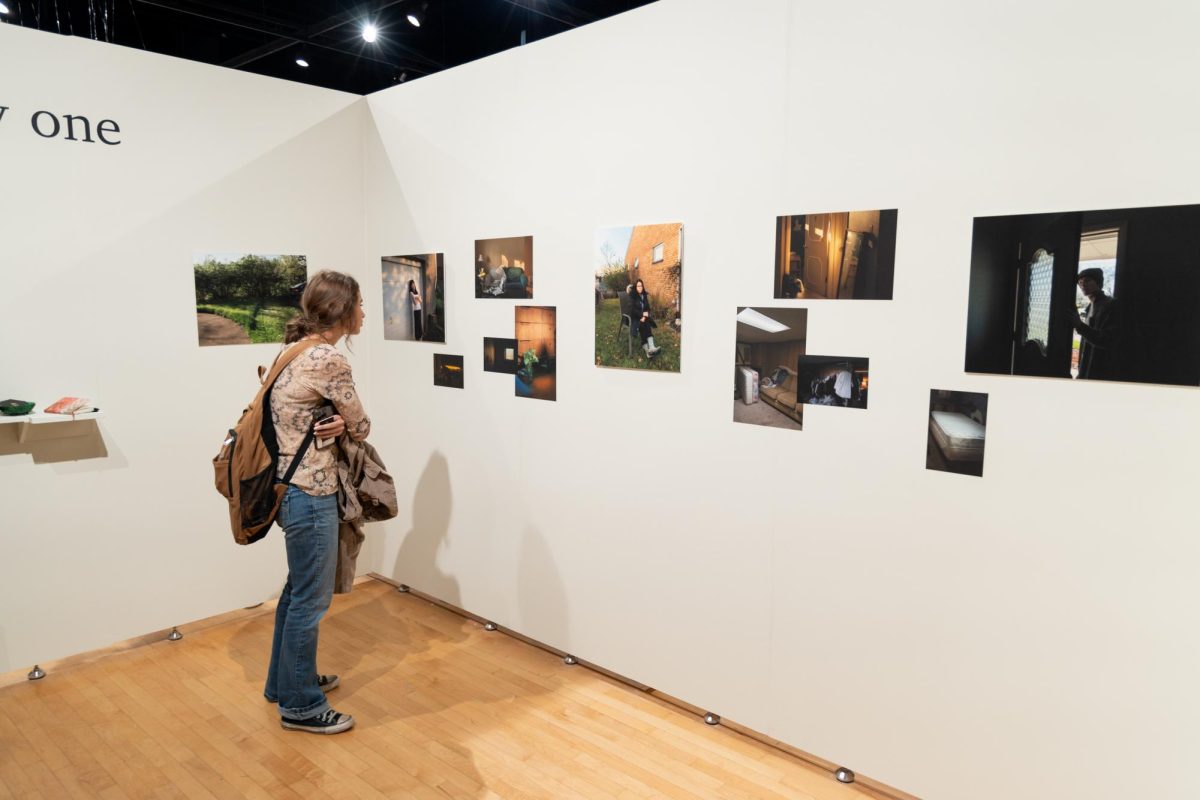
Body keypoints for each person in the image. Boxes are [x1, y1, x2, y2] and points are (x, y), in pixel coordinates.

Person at [264, 270, 370, 735]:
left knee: (295, 594)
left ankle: (286, 682)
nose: (364, 313)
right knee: (310, 601)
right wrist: (345, 425)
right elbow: (362, 425)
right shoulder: (329, 360)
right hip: (311, 493)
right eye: (360, 304)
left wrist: (334, 423)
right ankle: (302, 706)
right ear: (342, 311)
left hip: (288, 490)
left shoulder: (293, 348)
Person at [1069, 267, 1121, 380]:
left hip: (1101, 372)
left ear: (1098, 282)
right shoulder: (1089, 307)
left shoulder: (1111, 305)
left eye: (1087, 280)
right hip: (1087, 371)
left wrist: (1080, 326)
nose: (1083, 284)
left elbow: (1108, 339)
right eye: (1080, 282)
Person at [630, 279, 660, 357]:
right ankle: (649, 350)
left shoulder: (644, 295)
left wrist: (646, 314)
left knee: (645, 322)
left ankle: (651, 349)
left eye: (641, 286)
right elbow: (632, 310)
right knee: (643, 324)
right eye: (638, 286)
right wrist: (641, 316)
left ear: (643, 287)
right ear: (635, 287)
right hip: (635, 318)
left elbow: (647, 308)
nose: (640, 288)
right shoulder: (632, 295)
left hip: (644, 317)